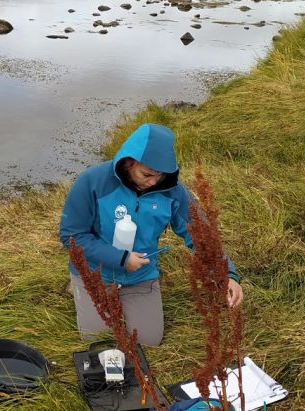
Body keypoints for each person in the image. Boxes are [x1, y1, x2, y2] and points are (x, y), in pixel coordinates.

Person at [59, 123, 243, 345]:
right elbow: (72, 236)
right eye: (146, 174)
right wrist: (121, 259)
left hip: (140, 276)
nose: (153, 182)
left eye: (159, 175)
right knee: (97, 340)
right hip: (93, 273)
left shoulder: (173, 191)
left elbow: (201, 236)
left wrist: (226, 274)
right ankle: (77, 286)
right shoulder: (92, 181)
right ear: (129, 162)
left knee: (148, 341)